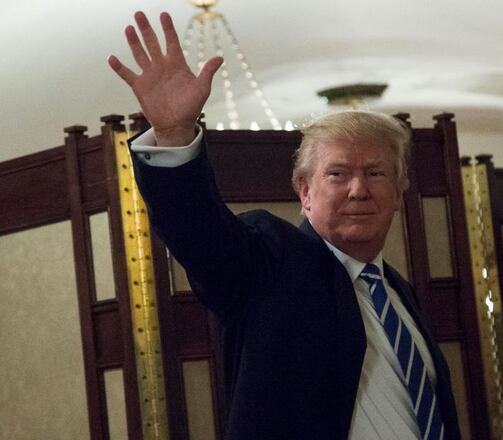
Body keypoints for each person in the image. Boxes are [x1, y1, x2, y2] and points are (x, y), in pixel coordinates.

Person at [108, 11, 460, 440]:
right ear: (304, 191)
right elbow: (198, 231)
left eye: (376, 173)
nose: (358, 189)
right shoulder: (269, 266)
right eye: (337, 174)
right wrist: (175, 135)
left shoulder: (397, 293)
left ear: (400, 192)